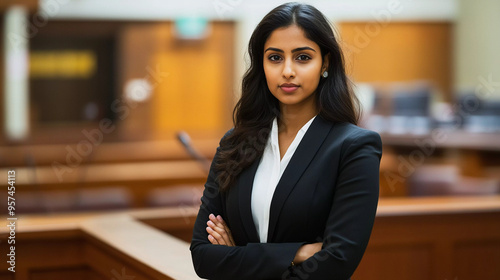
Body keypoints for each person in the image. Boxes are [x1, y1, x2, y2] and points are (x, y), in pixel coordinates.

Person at [190, 2, 382, 279]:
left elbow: (337, 262)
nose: (288, 71)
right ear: (262, 64)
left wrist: (239, 259)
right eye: (275, 58)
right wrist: (296, 253)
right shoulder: (235, 143)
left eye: (303, 57)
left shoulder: (354, 147)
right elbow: (203, 256)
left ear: (325, 62)